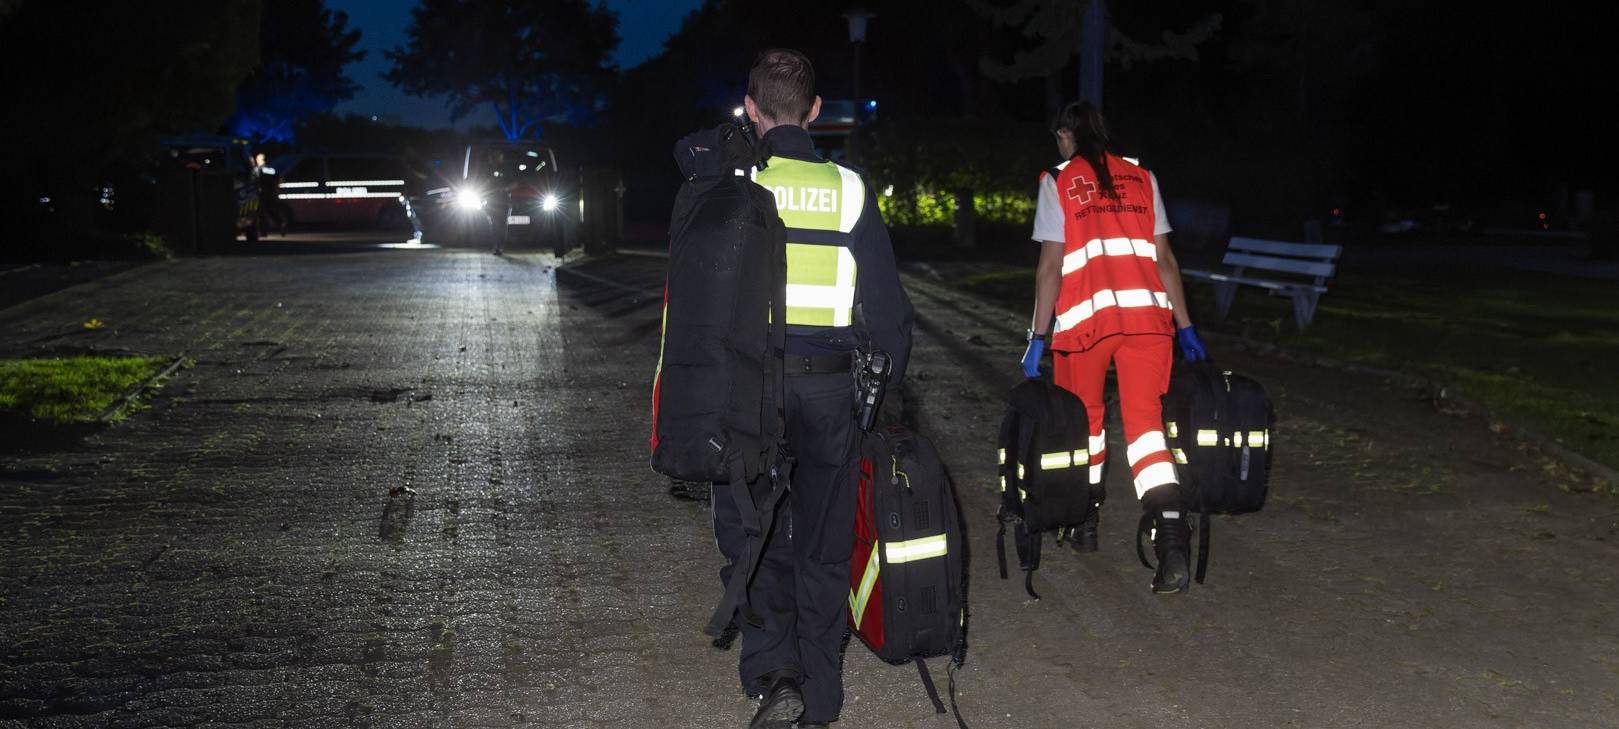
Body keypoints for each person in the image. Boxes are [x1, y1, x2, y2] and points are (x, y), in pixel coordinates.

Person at [676, 49, 913, 729]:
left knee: (755, 536)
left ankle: (774, 675)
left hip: (750, 395)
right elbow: (890, 315)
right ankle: (823, 696)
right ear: (815, 111)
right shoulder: (851, 190)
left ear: (750, 109)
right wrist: (880, 393)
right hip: (832, 392)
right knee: (823, 544)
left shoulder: (734, 180)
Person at [1021, 101, 1208, 594]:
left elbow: (1049, 267)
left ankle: (1085, 521)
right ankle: (1171, 541)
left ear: (1066, 135)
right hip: (1148, 322)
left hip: (1085, 327)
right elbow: (1164, 258)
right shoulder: (1142, 176)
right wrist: (1186, 326)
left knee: (1086, 424)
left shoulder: (1057, 180)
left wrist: (1037, 337)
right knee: (1147, 430)